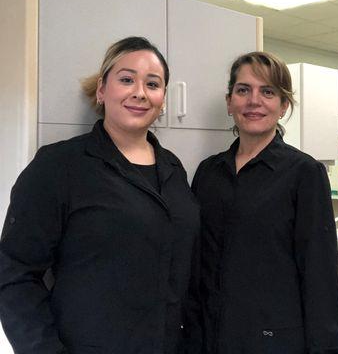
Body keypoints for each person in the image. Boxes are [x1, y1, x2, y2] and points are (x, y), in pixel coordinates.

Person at [0, 36, 199, 354]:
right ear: (102, 90)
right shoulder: (59, 165)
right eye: (126, 79)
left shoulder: (173, 168)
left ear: (163, 99)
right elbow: (14, 274)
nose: (139, 92)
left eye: (153, 83)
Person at [190, 52, 338, 354]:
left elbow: (320, 273)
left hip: (272, 339)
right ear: (229, 102)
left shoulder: (304, 173)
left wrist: (330, 347)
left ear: (283, 106)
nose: (254, 101)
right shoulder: (208, 172)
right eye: (243, 90)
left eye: (268, 92)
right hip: (209, 336)